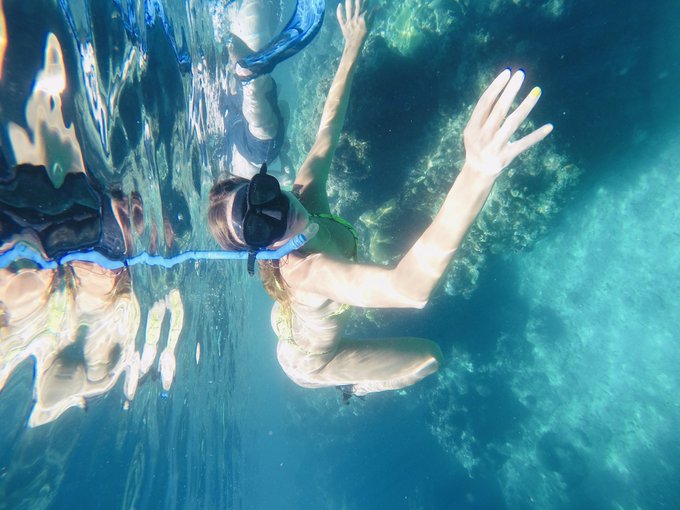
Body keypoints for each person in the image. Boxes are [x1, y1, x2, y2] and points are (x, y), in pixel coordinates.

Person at [207, 0, 553, 397]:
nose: (276, 212)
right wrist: (477, 170)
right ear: (260, 250)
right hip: (313, 361)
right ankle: (353, 389)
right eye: (257, 225)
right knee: (429, 357)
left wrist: (354, 41)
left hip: (295, 324)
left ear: (270, 181)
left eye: (261, 194)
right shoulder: (310, 271)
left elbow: (328, 128)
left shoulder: (303, 194)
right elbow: (410, 291)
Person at [221, 0, 324, 181]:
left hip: (248, 139)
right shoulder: (264, 158)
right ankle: (246, 70)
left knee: (250, 85)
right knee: (253, 90)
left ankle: (246, 70)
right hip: (259, 155)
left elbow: (287, 175)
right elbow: (287, 176)